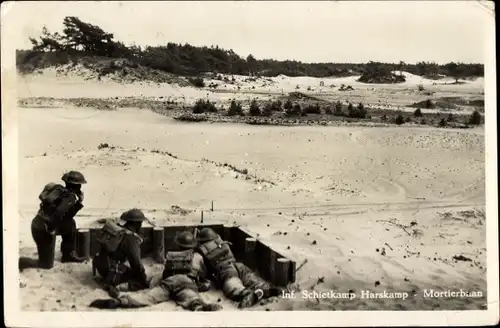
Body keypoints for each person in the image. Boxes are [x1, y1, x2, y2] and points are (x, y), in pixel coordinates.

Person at [89, 231, 222, 312]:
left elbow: (165, 274)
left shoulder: (171, 256)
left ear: (179, 245)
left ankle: (121, 301)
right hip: (186, 282)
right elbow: (203, 276)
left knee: (148, 297)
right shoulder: (198, 257)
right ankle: (198, 306)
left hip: (168, 283)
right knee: (190, 297)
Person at [19, 171, 87, 271]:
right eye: (79, 185)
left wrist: (79, 203)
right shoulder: (70, 197)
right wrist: (51, 230)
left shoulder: (59, 191)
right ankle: (19, 262)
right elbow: (59, 213)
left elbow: (67, 217)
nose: (80, 187)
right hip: (44, 230)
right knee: (45, 264)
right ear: (76, 186)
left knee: (70, 223)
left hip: (38, 225)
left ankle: (67, 255)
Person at [196, 228, 280, 308]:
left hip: (226, 271)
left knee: (235, 289)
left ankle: (247, 294)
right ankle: (266, 289)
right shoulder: (220, 242)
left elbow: (203, 273)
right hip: (239, 266)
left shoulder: (202, 251)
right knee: (252, 279)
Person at [92, 209, 151, 295]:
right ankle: (116, 286)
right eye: (140, 223)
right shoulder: (131, 238)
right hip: (112, 271)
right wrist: (143, 277)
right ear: (137, 224)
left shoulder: (118, 229)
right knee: (142, 282)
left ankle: (110, 280)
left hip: (100, 266)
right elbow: (136, 264)